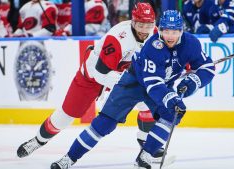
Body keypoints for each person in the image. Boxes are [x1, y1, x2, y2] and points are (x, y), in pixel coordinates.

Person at [50, 10, 215, 169]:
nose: (170, 36)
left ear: (181, 31)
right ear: (161, 30)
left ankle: (145, 156)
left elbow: (207, 68)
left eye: (174, 31)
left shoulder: (191, 43)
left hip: (160, 85)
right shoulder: (154, 46)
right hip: (133, 83)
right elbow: (153, 83)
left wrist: (194, 81)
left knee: (172, 114)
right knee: (104, 123)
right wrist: (170, 97)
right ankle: (69, 158)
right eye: (166, 31)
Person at [17, 2, 163, 162]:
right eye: (140, 24)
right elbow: (102, 73)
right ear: (133, 22)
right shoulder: (118, 37)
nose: (144, 30)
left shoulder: (154, 34)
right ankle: (38, 140)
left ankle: (147, 147)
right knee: (65, 117)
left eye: (148, 25)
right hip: (93, 75)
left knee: (147, 100)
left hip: (121, 75)